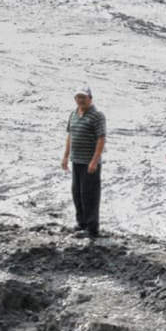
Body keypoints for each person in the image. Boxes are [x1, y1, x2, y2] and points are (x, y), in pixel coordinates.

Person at [60, 85, 106, 238]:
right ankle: (81, 223)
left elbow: (101, 138)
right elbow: (70, 136)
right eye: (78, 97)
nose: (80, 100)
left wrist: (94, 160)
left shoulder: (97, 115)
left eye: (83, 97)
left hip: (89, 162)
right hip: (76, 160)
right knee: (77, 193)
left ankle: (92, 228)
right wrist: (66, 156)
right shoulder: (73, 114)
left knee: (90, 194)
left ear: (90, 99)